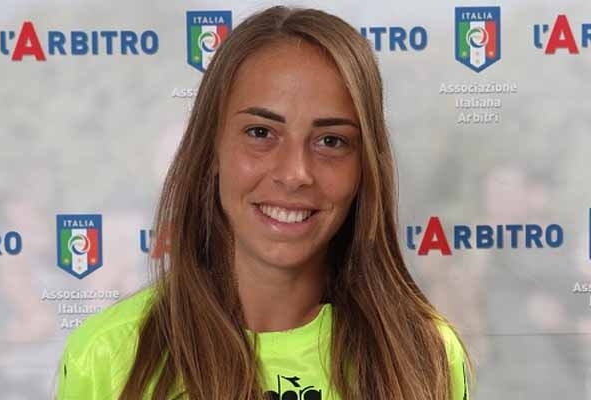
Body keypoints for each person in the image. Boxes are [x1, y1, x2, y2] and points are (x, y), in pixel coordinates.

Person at [55, 6, 472, 400]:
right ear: (211, 149)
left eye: (331, 141)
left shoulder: (422, 353)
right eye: (260, 133)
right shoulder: (108, 355)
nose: (295, 173)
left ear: (365, 166)